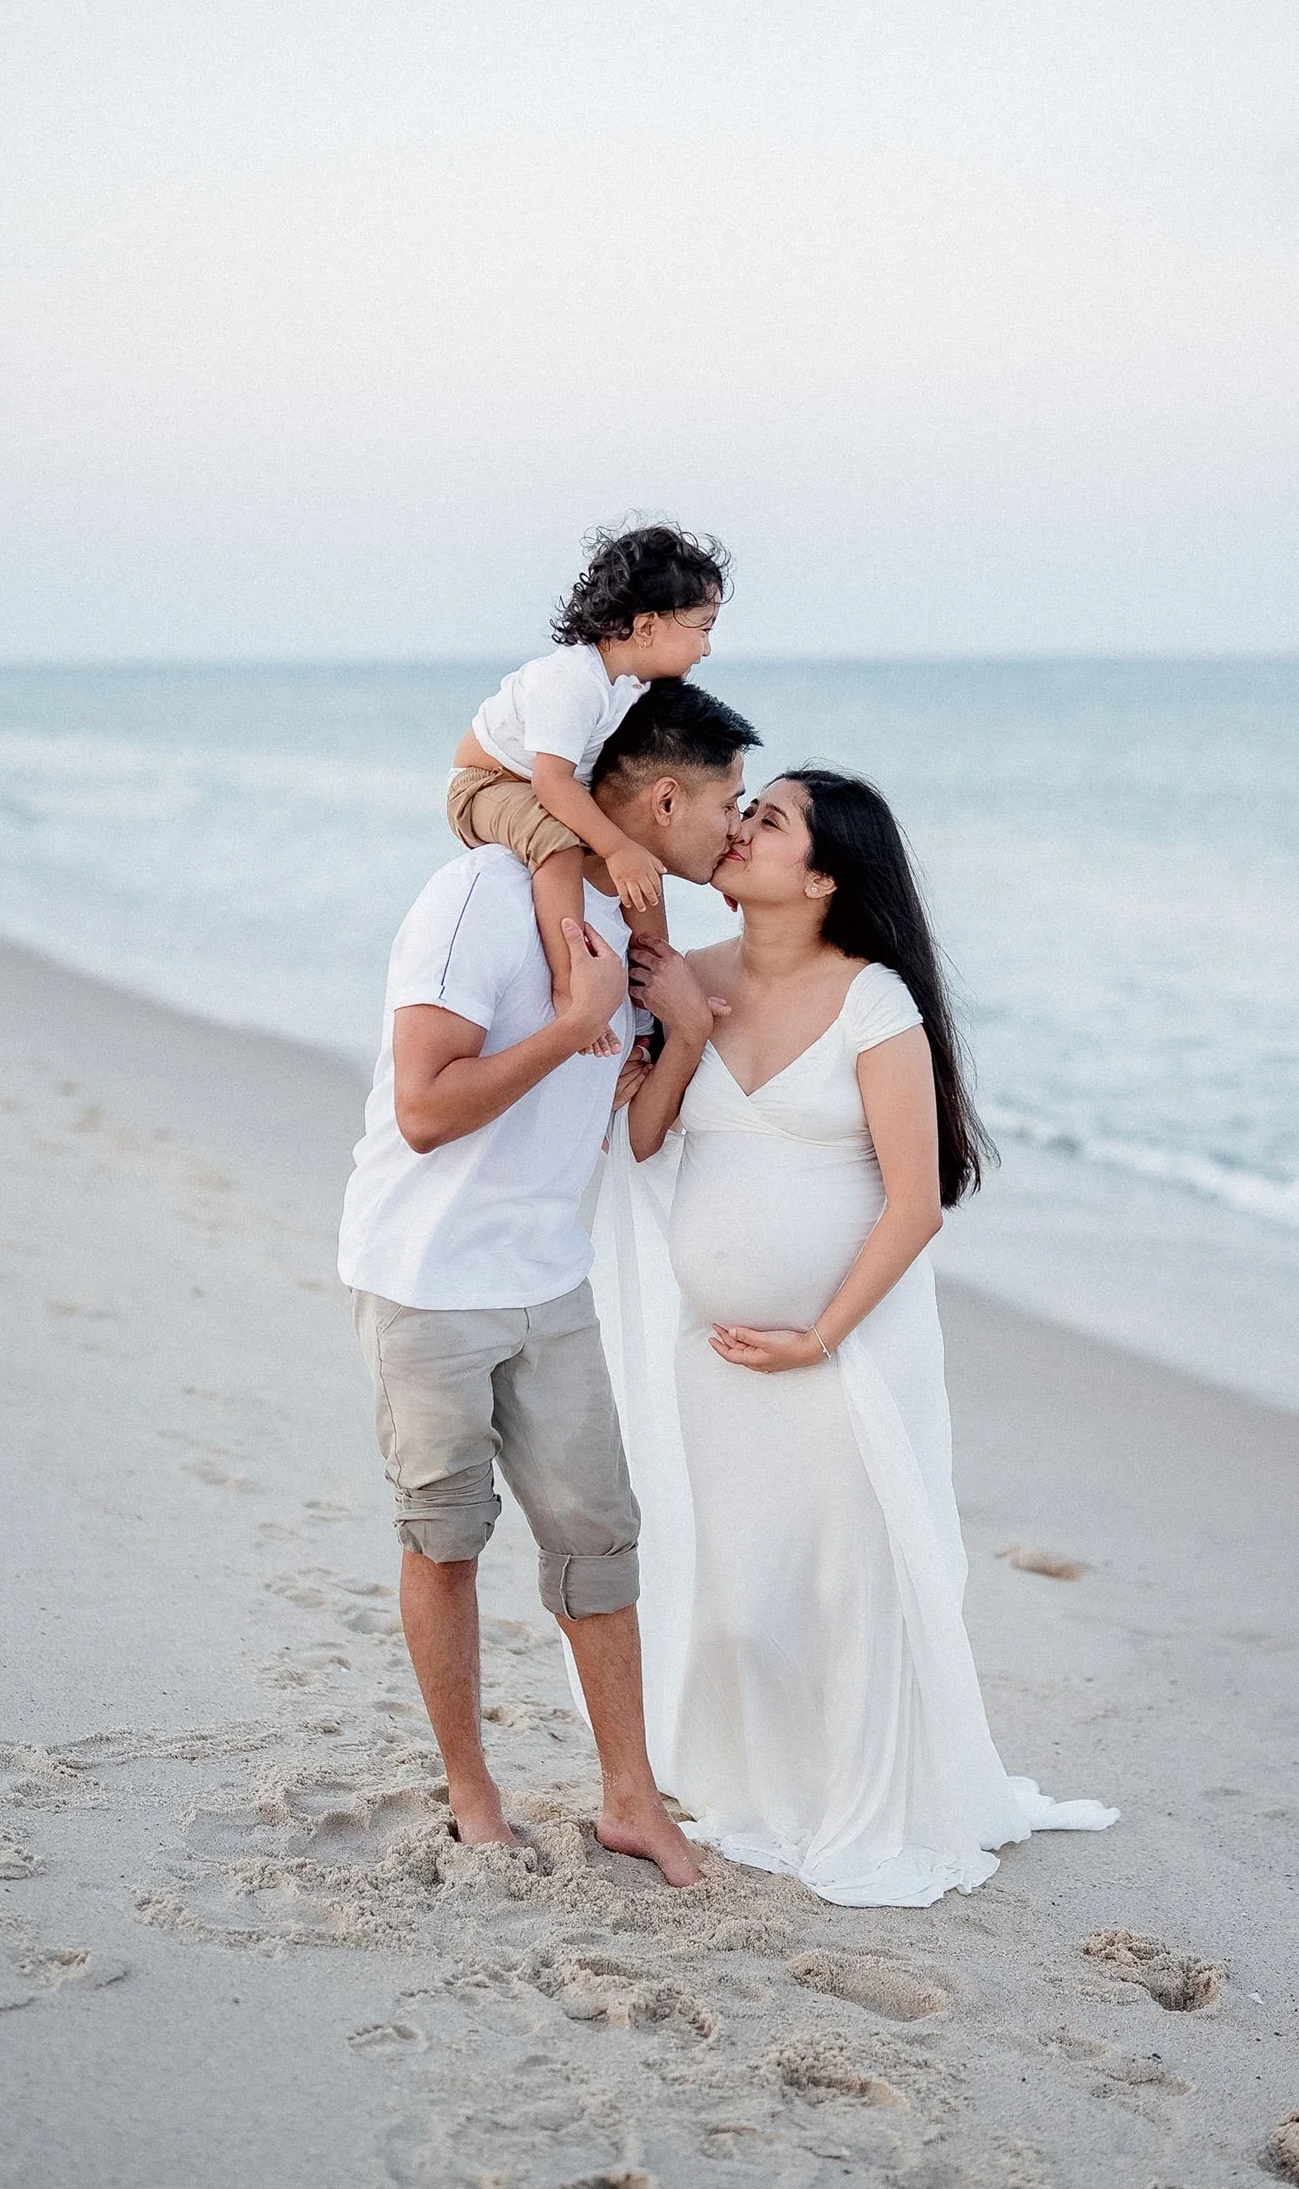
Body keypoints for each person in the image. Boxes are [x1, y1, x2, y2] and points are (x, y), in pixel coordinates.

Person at [592, 767, 1119, 1906]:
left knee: (842, 1589)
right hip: (717, 1354)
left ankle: (852, 1801)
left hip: (844, 1356)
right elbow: (637, 1143)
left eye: (766, 820)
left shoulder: (874, 1002)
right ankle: (760, 1787)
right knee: (741, 1595)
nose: (737, 829)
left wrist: (820, 1336)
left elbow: (914, 1204)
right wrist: (677, 1036)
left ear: (823, 876)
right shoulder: (694, 977)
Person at [337, 679, 759, 1884]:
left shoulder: (630, 926)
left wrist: (673, 1031)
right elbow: (424, 1108)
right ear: (662, 797)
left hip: (547, 1279)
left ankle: (631, 1801)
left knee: (596, 1538)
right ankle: (472, 1788)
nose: (731, 830)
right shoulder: (475, 895)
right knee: (446, 1536)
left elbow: (631, 1130)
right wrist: (574, 1020)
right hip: (425, 1278)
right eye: (726, 803)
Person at [446, 518, 729, 1048]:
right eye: (702, 628)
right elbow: (552, 784)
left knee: (643, 873)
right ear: (646, 628)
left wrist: (650, 854)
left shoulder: (630, 684)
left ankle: (651, 1009)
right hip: (485, 785)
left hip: (536, 784)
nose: (707, 649)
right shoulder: (573, 681)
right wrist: (615, 846)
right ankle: (570, 992)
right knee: (561, 845)